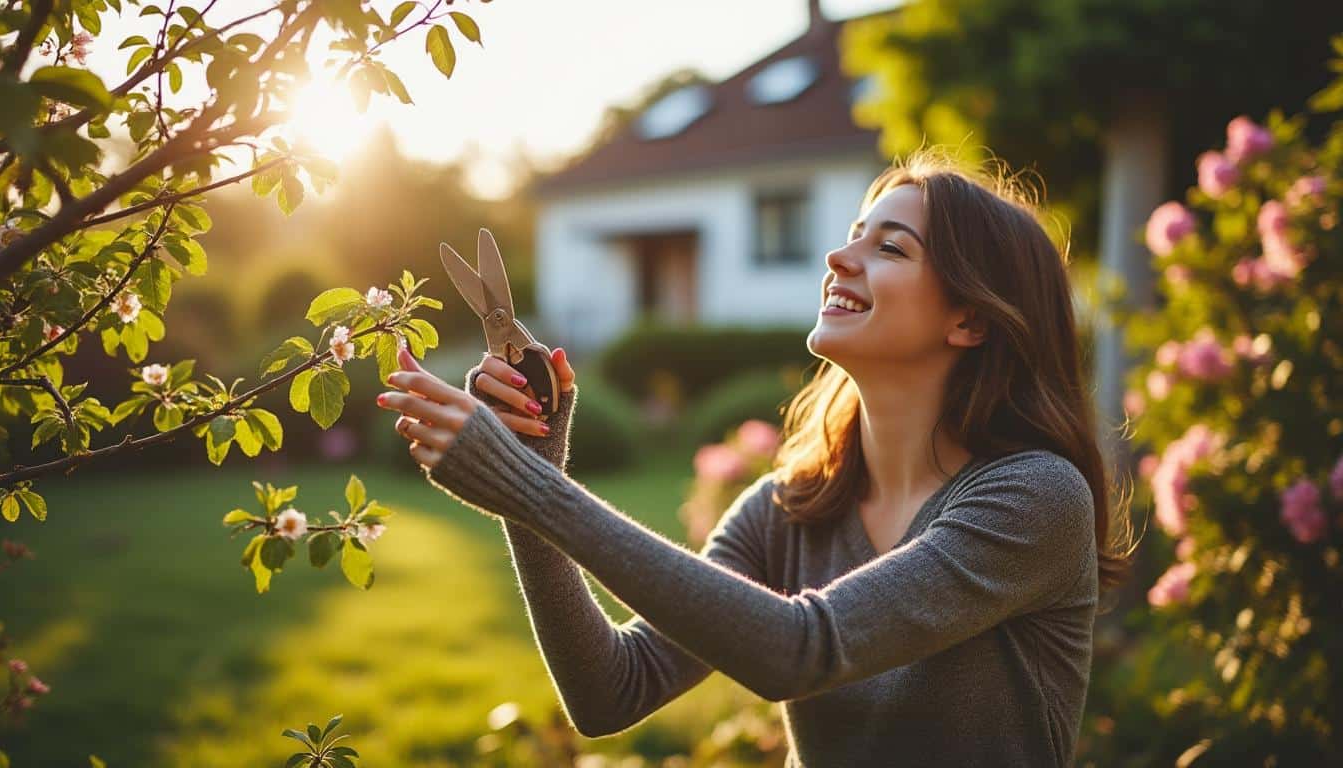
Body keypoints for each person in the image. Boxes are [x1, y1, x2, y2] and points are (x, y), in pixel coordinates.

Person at [376, 148, 1137, 767]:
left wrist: (526, 490)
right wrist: (534, 471)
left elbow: (799, 651)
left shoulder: (1035, 498)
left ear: (970, 318)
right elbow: (611, 693)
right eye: (854, 232)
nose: (839, 256)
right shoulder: (789, 510)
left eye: (890, 246)